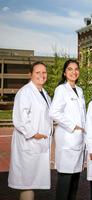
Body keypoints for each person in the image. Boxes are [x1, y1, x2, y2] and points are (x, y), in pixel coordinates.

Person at [8, 61, 52, 200]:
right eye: (38, 72)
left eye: (44, 72)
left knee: (32, 181)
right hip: (29, 143)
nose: (41, 75)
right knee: (27, 183)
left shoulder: (44, 94)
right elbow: (20, 119)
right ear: (30, 74)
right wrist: (34, 134)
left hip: (39, 144)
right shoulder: (25, 92)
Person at [49, 59, 86, 200]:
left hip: (78, 141)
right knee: (65, 180)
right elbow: (54, 113)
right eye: (70, 69)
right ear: (64, 73)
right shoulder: (61, 89)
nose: (73, 72)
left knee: (75, 181)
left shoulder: (80, 90)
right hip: (67, 140)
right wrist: (72, 126)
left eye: (76, 69)